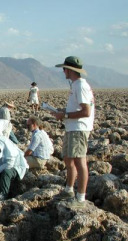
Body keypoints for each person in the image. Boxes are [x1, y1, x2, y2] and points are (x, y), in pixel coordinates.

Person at [52, 56, 95, 206]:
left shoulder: (80, 85)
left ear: (69, 70)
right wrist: (63, 112)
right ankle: (69, 189)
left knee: (79, 161)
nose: (63, 71)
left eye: (64, 69)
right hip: (72, 128)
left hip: (78, 129)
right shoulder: (76, 85)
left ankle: (81, 197)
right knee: (69, 159)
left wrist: (65, 115)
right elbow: (77, 108)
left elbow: (86, 111)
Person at [0, 136, 29, 201]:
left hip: (18, 166)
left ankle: (4, 194)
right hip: (6, 165)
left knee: (6, 172)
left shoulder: (10, 151)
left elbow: (9, 165)